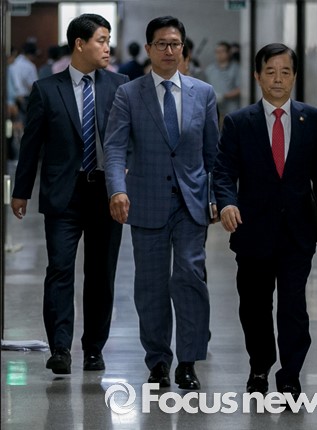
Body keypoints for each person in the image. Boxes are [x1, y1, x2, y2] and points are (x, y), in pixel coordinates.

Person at [102, 16, 219, 390]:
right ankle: (158, 361)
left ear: (183, 48)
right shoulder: (129, 94)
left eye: (175, 44)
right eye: (161, 44)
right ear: (149, 48)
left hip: (191, 202)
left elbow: (213, 154)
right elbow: (115, 147)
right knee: (150, 285)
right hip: (147, 201)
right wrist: (117, 190)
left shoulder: (204, 93)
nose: (169, 50)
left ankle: (188, 361)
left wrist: (216, 196)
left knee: (189, 276)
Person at [213, 43, 317, 398]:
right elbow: (224, 172)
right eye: (270, 72)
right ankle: (260, 366)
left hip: (298, 231)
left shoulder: (313, 119)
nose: (278, 79)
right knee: (254, 306)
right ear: (257, 76)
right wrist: (227, 204)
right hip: (253, 230)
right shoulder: (239, 122)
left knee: (294, 305)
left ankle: (291, 375)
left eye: (285, 72)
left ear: (294, 77)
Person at [11, 14, 128, 375]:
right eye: (101, 41)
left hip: (105, 193)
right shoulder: (47, 89)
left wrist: (126, 180)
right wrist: (21, 191)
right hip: (64, 193)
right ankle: (60, 348)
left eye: (108, 40)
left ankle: (93, 349)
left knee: (101, 273)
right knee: (60, 269)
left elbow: (130, 140)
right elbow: (32, 145)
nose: (107, 48)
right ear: (80, 44)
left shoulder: (119, 86)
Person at [205, 41, 241, 123]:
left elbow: (241, 89)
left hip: (232, 110)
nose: (219, 54)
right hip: (214, 110)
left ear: (229, 53)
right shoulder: (210, 69)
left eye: (222, 51)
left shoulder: (236, 68)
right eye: (217, 52)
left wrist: (223, 96)